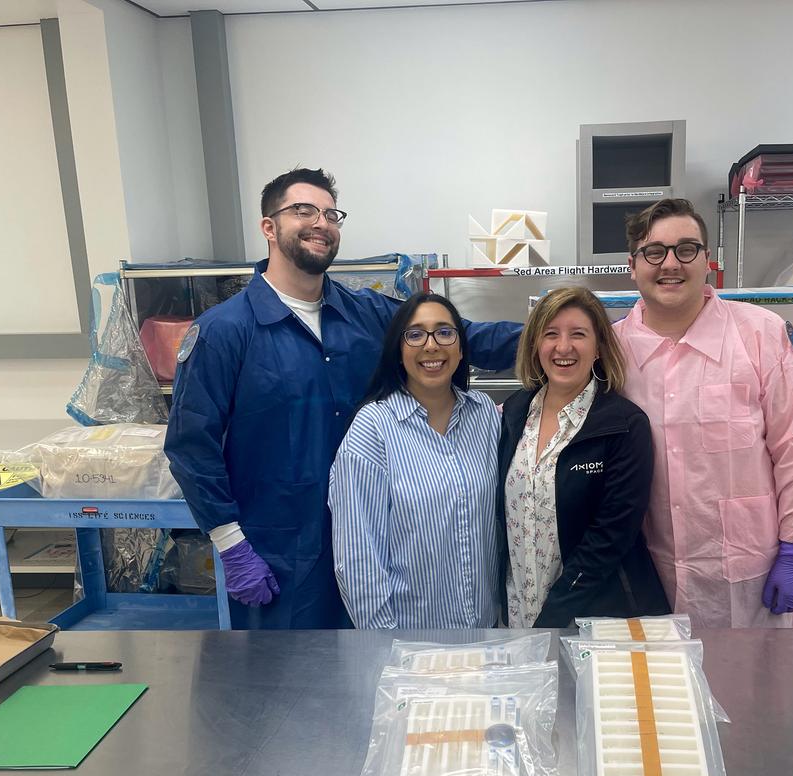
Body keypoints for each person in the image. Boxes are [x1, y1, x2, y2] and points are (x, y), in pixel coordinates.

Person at [165, 168, 520, 629]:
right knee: (295, 692)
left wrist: (563, 337)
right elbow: (191, 445)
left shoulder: (366, 314)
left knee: (381, 682)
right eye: (303, 210)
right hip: (285, 554)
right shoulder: (225, 331)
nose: (321, 222)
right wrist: (231, 545)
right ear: (268, 227)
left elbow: (464, 338)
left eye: (331, 214)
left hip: (381, 546)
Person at [614, 198, 793, 630]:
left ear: (708, 261)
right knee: (663, 692)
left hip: (748, 572)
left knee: (754, 691)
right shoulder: (613, 350)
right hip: (646, 571)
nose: (670, 264)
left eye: (686, 249)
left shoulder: (761, 335)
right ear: (633, 265)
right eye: (654, 252)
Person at [497, 286, 669, 629]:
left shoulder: (624, 425)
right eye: (550, 334)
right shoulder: (515, 413)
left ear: (598, 348)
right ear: (535, 345)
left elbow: (610, 538)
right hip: (519, 615)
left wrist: (552, 618)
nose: (563, 347)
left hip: (597, 619)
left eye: (578, 334)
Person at [329, 293, 499, 629]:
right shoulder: (373, 428)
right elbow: (357, 556)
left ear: (461, 348)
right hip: (410, 644)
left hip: (485, 633)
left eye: (445, 332)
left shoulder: (486, 417)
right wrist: (385, 643)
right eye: (415, 334)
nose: (432, 346)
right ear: (398, 350)